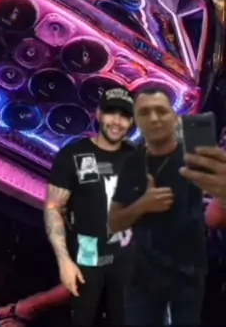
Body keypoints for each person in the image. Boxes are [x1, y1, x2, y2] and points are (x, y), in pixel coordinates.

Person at [109, 86, 207, 326]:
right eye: (145, 113)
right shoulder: (133, 163)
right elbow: (114, 222)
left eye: (161, 111)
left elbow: (215, 213)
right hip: (144, 272)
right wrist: (143, 205)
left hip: (188, 271)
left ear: (175, 118)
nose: (154, 119)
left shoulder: (197, 153)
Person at [43, 85, 135, 326]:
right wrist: (64, 261)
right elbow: (53, 209)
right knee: (82, 318)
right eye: (111, 113)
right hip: (87, 255)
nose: (117, 122)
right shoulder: (73, 155)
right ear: (99, 113)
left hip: (126, 258)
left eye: (124, 115)